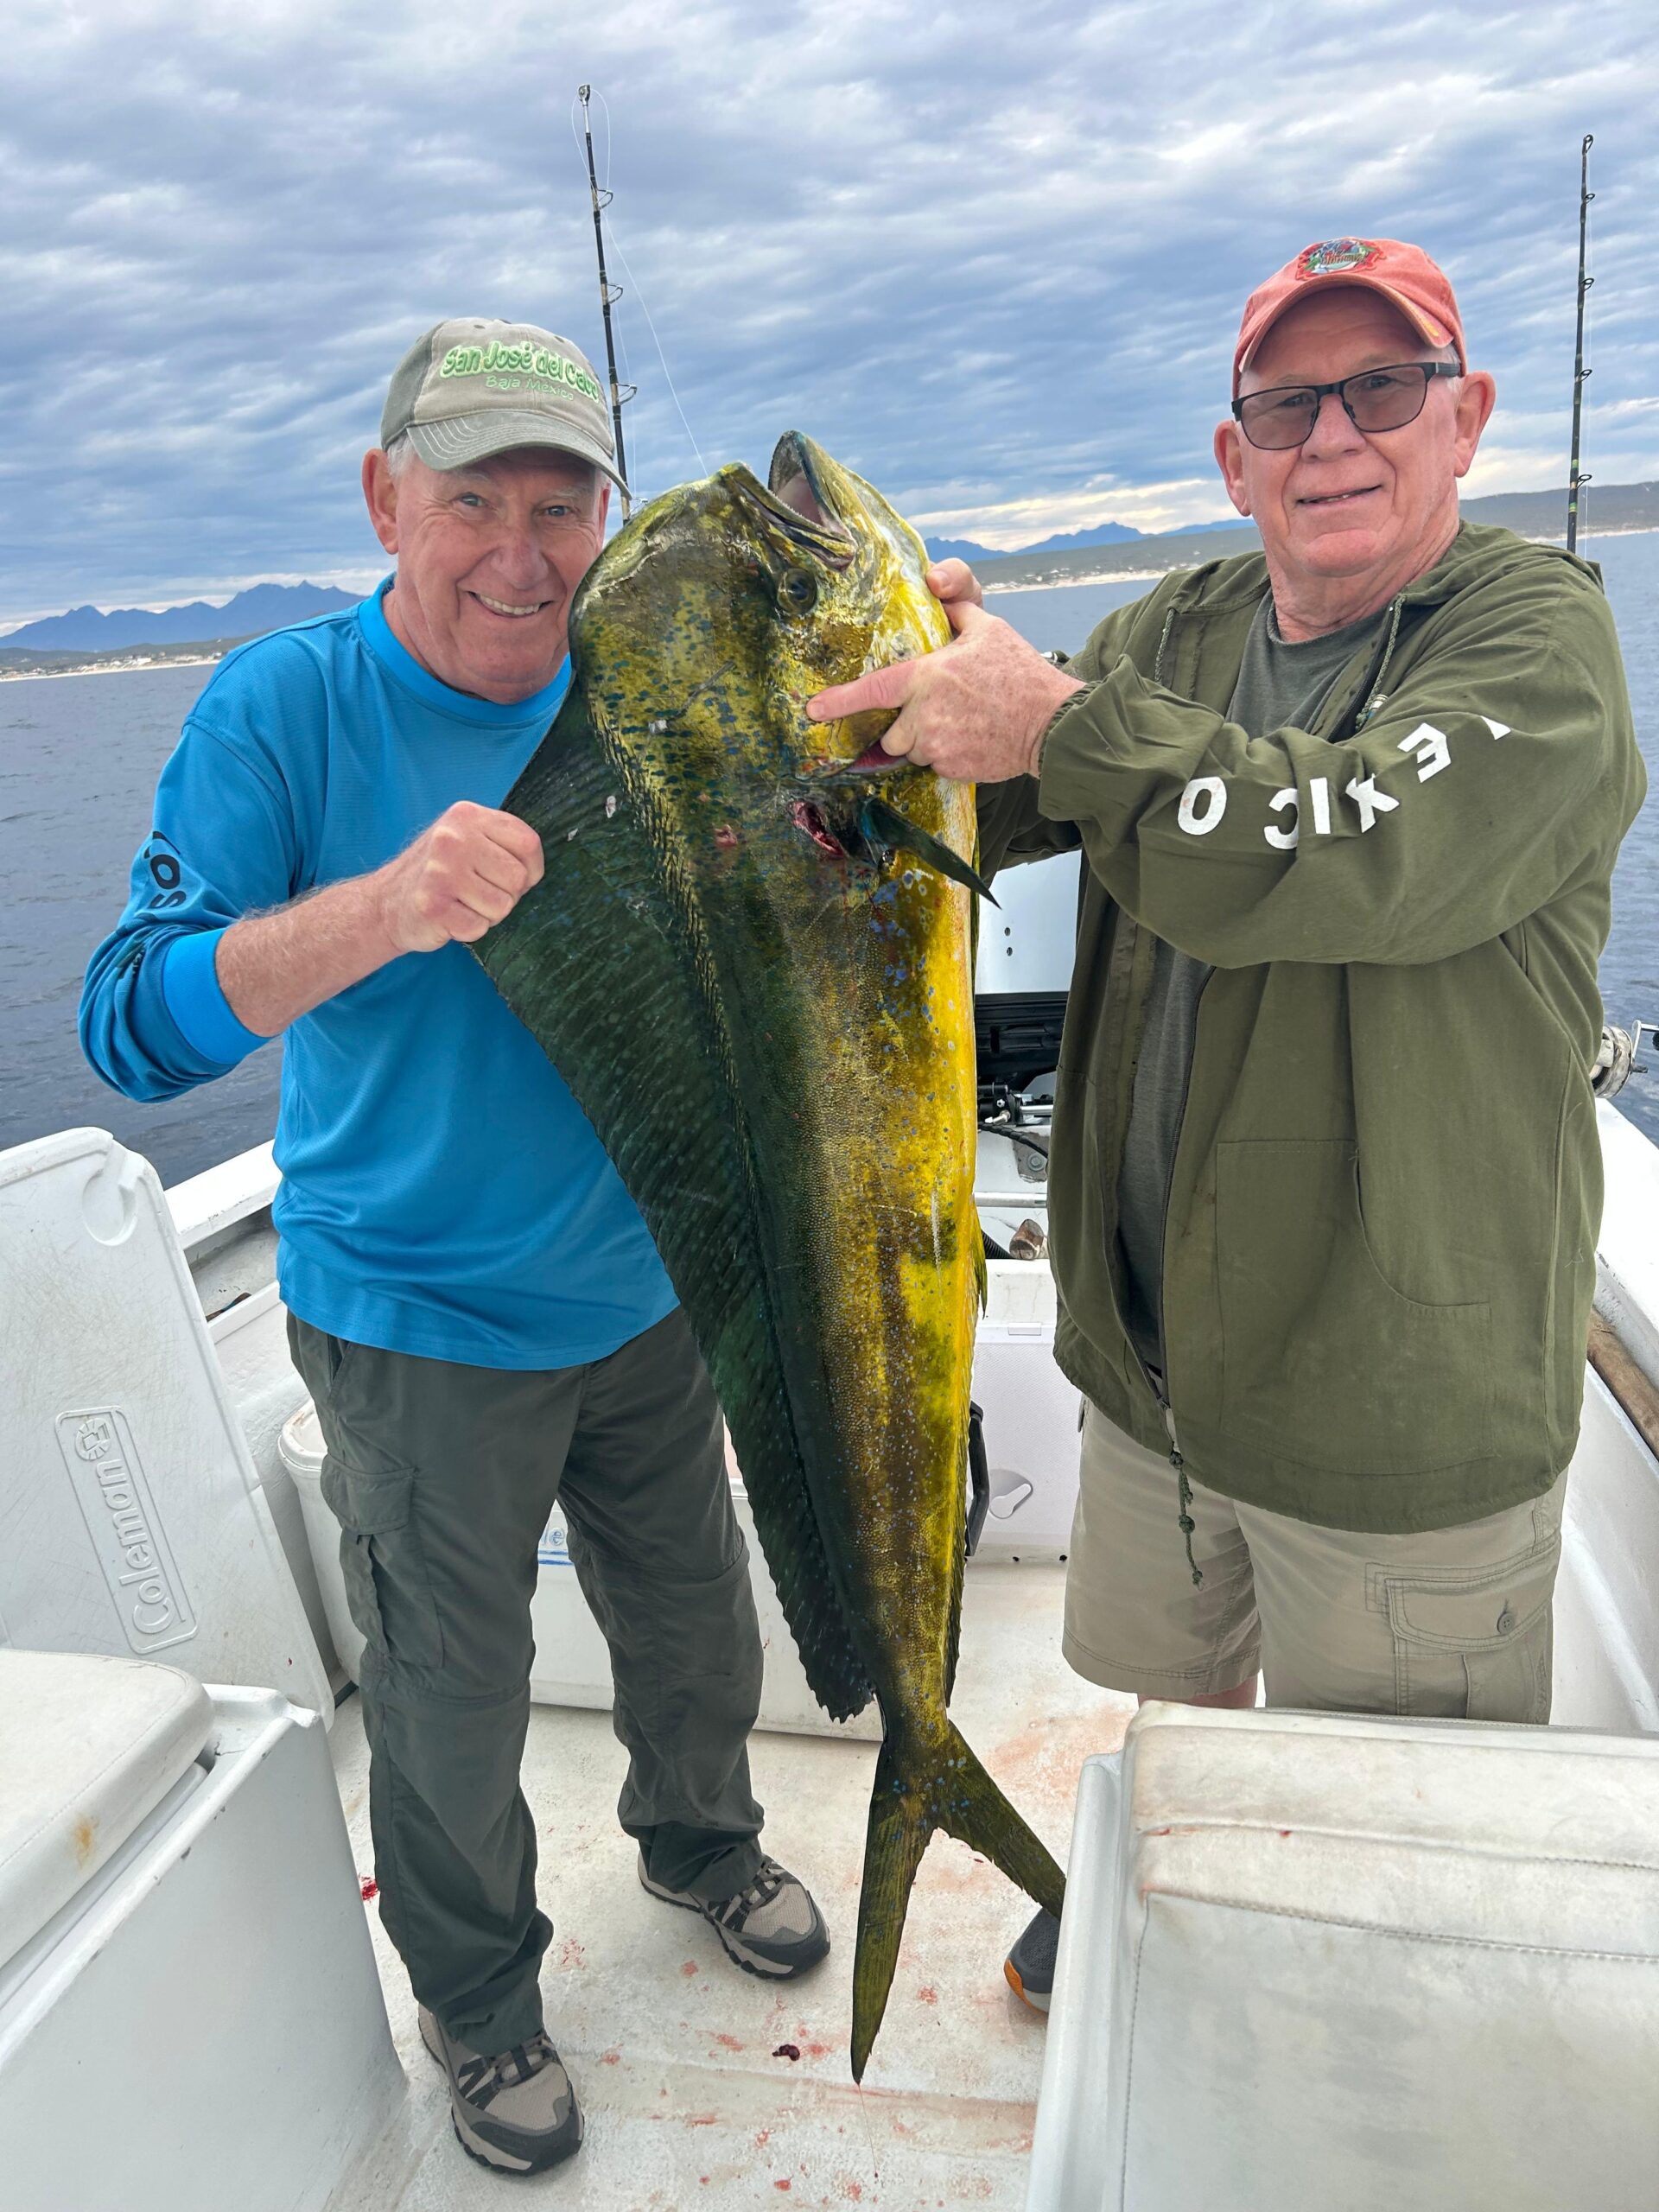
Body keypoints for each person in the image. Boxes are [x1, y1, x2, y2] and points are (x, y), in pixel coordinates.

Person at [806, 238, 1646, 2013]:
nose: (1332, 432)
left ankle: (1350, 2011)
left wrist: (1054, 718)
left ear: (1464, 417)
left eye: (1382, 388)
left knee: (1395, 1841)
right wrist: (903, 694)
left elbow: (1343, 843)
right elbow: (1007, 785)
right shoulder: (1173, 631)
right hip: (1160, 1365)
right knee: (1172, 1709)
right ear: (1232, 449)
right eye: (1288, 401)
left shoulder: (1537, 639)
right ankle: (1166, 1879)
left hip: (1398, 1396)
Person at [81, 318, 828, 2177]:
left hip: (658, 1279)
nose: (519, 545)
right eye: (471, 496)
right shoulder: (286, 707)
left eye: (560, 498)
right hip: (415, 1312)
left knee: (690, 1609)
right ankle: (484, 2005)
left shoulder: (652, 684)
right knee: (445, 1689)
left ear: (608, 513)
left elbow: (832, 806)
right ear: (381, 501)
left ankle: (704, 1840)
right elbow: (134, 1017)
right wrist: (385, 908)